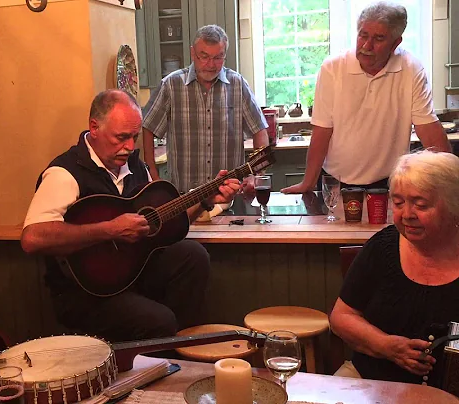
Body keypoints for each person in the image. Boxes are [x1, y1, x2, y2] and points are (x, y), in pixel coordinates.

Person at [21, 89, 240, 342]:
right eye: (121, 138)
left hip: (130, 273)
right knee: (160, 321)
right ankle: (161, 363)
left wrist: (204, 199)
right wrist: (110, 229)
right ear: (94, 128)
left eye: (134, 137)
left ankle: (181, 348)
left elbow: (162, 221)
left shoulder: (135, 166)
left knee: (193, 256)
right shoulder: (65, 173)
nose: (129, 147)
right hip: (84, 293)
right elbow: (32, 238)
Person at [283, 1, 450, 194]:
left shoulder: (411, 68)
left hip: (388, 182)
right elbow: (322, 130)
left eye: (379, 38)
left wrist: (451, 179)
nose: (366, 45)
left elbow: (428, 128)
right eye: (363, 35)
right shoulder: (333, 68)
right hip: (336, 181)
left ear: (396, 43)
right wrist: (308, 183)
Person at [329, 150, 459, 386]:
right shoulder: (383, 247)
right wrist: (387, 346)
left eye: (421, 204)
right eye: (398, 203)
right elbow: (341, 317)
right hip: (371, 382)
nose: (407, 215)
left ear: (453, 207)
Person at [142, 24, 269, 194]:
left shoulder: (238, 85)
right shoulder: (171, 85)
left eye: (218, 57)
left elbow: (260, 131)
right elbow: (148, 127)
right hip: (184, 197)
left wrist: (257, 175)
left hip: (229, 195)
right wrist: (153, 176)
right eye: (204, 56)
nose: (211, 64)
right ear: (193, 53)